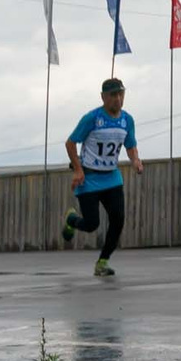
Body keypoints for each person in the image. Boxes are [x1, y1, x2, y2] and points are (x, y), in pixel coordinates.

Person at [61, 77, 142, 277]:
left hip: (111, 177)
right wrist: (78, 170)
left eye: (120, 94)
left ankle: (102, 262)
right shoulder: (92, 118)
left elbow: (130, 145)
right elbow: (71, 143)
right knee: (91, 224)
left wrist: (135, 160)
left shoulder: (127, 120)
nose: (117, 99)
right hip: (88, 178)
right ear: (103, 97)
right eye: (113, 95)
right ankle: (71, 220)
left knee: (118, 219)